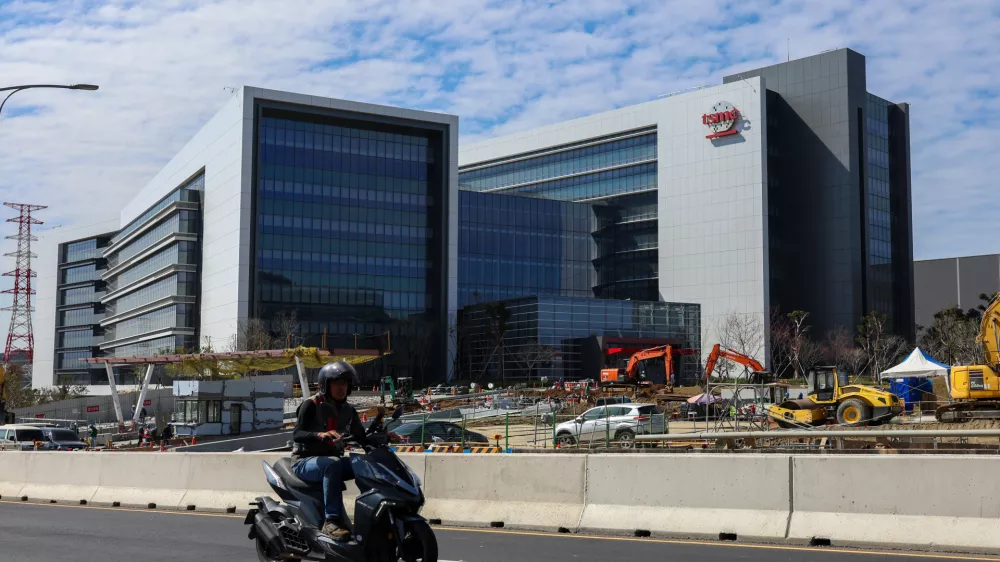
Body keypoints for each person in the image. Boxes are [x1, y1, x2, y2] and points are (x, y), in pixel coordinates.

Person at [292, 361, 399, 541]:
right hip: (305, 461)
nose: (341, 388)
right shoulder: (311, 404)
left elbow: (362, 438)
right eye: (337, 383)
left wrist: (385, 437)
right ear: (326, 384)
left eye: (345, 383)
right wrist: (319, 434)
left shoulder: (348, 410)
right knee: (332, 465)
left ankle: (376, 513)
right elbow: (297, 434)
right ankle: (331, 521)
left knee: (368, 465)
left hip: (331, 460)